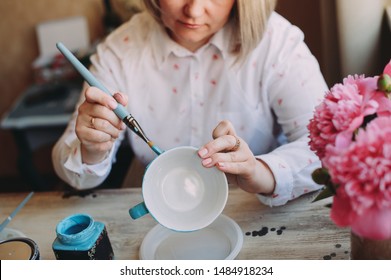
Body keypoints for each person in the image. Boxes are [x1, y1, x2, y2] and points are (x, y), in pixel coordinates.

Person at [52, 0, 328, 206]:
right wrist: (93, 147)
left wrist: (259, 172)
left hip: (251, 207)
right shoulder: (120, 50)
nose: (194, 11)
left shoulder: (277, 44)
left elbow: (328, 149)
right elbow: (75, 175)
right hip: (157, 205)